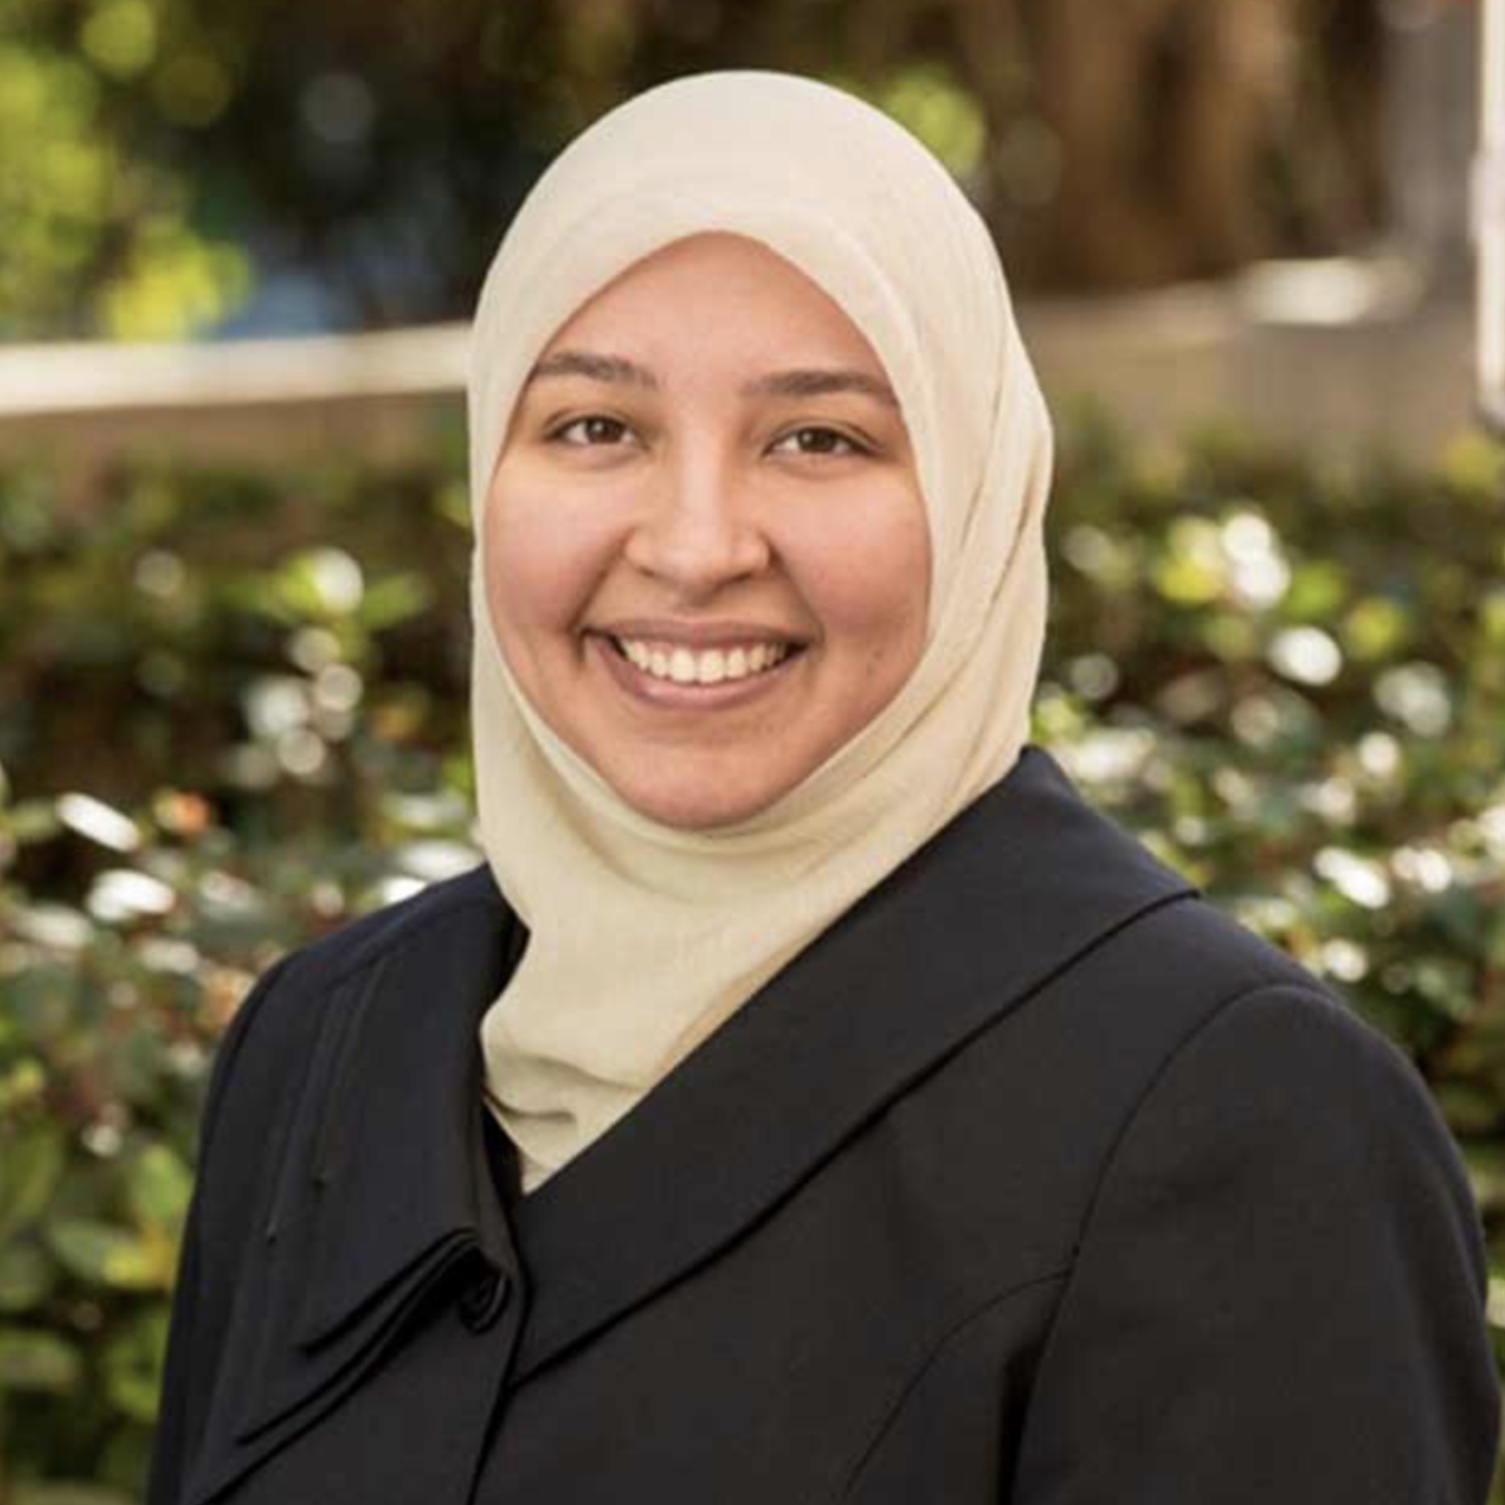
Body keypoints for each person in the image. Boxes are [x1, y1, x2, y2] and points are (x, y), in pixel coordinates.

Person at [146, 70, 1500, 1505]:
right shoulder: (324, 1045)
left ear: (977, 495)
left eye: (819, 438)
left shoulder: (1246, 1119)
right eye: (595, 426)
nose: (694, 546)